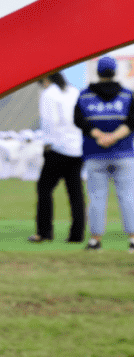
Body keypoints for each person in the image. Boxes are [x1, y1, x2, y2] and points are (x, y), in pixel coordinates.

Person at [73, 56, 134, 253]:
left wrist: (100, 136)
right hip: (123, 153)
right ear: (114, 72)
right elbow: (132, 122)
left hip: (94, 154)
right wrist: (114, 137)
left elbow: (80, 121)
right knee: (128, 197)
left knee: (97, 198)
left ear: (98, 73)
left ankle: (95, 241)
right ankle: (133, 240)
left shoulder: (84, 96)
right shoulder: (127, 95)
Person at [29, 72, 84, 243]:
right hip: (77, 148)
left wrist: (47, 146)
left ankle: (44, 232)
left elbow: (48, 122)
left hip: (58, 148)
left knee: (44, 189)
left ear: (45, 79)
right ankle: (77, 235)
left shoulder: (48, 94)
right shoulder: (73, 91)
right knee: (75, 192)